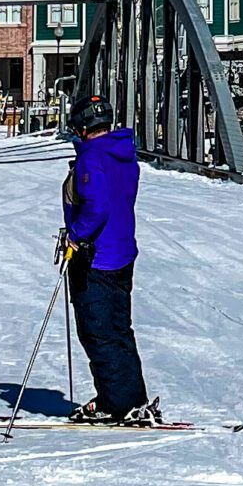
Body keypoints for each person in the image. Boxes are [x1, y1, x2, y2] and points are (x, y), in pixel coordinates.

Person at [60, 105, 159, 424]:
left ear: (82, 127)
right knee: (117, 328)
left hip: (97, 257)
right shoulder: (122, 154)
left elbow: (97, 208)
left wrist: (75, 235)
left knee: (98, 330)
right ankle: (129, 397)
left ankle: (117, 403)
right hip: (121, 251)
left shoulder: (92, 156)